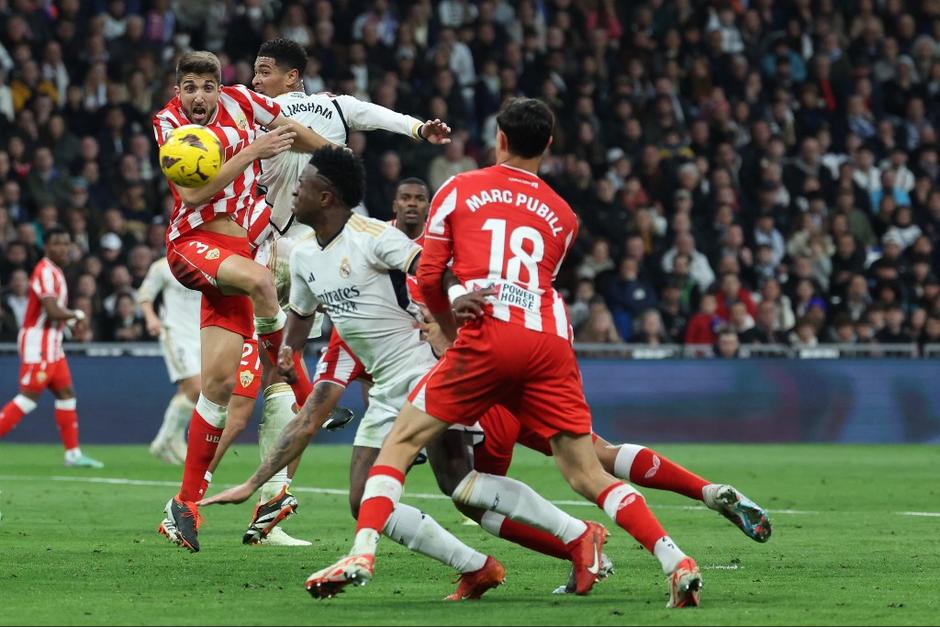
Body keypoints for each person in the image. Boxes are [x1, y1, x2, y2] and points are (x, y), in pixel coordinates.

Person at [304, 98, 703, 607]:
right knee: (585, 471)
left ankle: (363, 553)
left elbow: (429, 275)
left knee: (401, 446)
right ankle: (675, 559)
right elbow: (538, 282)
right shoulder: (564, 214)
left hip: (487, 337)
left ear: (500, 139)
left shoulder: (459, 187)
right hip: (551, 340)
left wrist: (450, 336)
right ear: (549, 146)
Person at [199, 38, 454, 548]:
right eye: (254, 71)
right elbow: (340, 128)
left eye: (265, 71)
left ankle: (265, 496)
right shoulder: (260, 111)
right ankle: (265, 462)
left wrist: (417, 128)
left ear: (293, 77)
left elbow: (377, 115)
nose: (255, 80)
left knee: (272, 382)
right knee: (261, 386)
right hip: (274, 248)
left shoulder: (327, 105)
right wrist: (342, 147)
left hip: (302, 250)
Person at [152, 50, 331, 553]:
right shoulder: (168, 123)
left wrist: (335, 156)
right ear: (178, 91)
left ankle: (182, 505)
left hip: (234, 251)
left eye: (207, 87)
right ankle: (301, 381)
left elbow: (293, 130)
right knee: (262, 282)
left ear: (219, 87)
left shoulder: (244, 101)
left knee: (218, 386)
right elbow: (191, 195)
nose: (199, 97)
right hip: (193, 244)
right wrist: (253, 152)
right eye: (189, 87)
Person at [0, 226, 103, 468]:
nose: (63, 248)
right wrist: (77, 315)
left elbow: (54, 315)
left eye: (67, 243)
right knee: (28, 398)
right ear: (46, 247)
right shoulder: (44, 271)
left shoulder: (55, 272)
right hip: (39, 342)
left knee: (66, 394)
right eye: (57, 243)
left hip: (52, 344)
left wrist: (70, 323)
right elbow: (52, 311)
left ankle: (73, 454)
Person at [138, 256, 202, 465]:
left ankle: (166, 441)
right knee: (196, 388)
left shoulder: (207, 262)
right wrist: (151, 317)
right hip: (175, 333)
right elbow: (145, 295)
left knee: (187, 392)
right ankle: (168, 440)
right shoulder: (162, 266)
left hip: (203, 333)